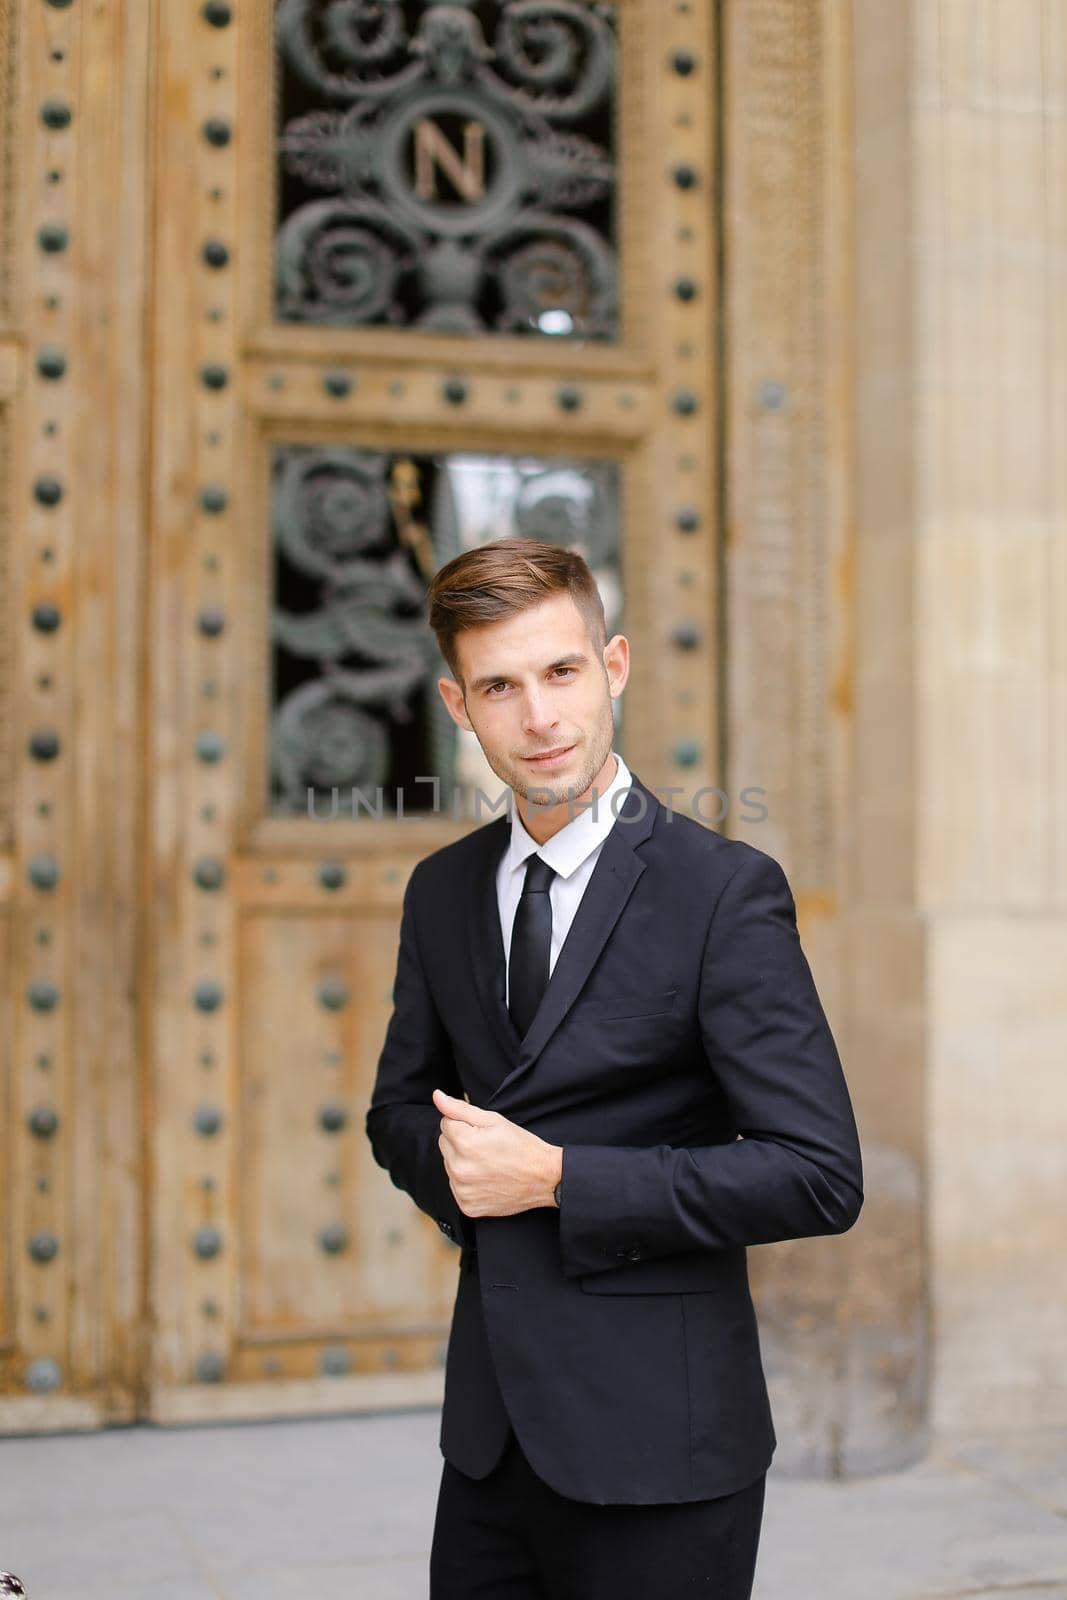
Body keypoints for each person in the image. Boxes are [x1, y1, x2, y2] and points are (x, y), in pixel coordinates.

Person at [365, 537, 863, 1599]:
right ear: (457, 705)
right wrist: (452, 1167)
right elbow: (396, 1107)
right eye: (499, 685)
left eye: (561, 672)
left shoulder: (721, 891)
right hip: (489, 1444)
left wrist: (556, 1179)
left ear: (615, 666)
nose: (538, 717)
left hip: (665, 1448)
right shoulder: (440, 890)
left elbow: (816, 1172)